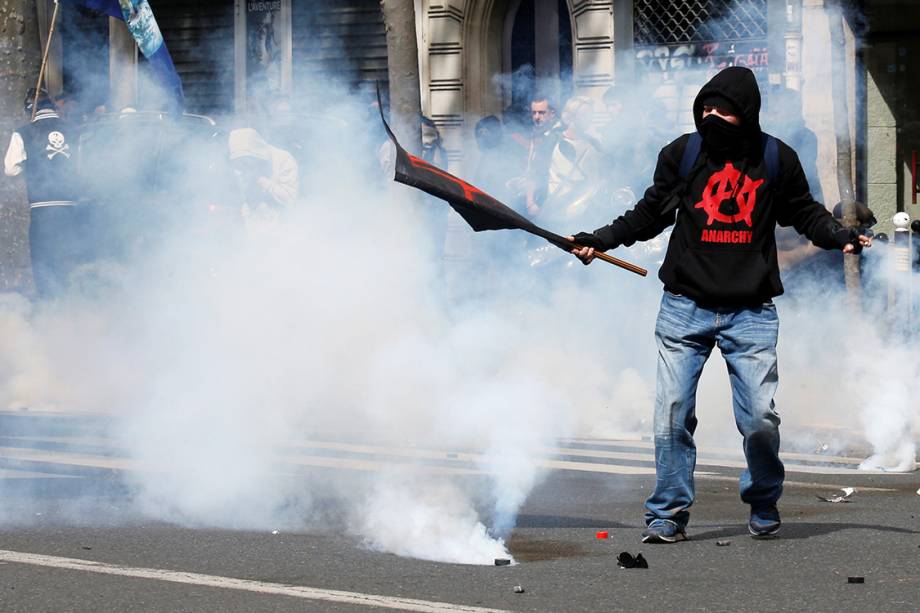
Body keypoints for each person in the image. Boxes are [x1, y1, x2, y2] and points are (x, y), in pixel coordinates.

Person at [569, 67, 871, 543]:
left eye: (722, 108)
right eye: (705, 107)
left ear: (745, 113)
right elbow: (648, 214)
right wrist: (599, 239)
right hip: (683, 305)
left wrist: (838, 236)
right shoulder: (683, 153)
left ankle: (764, 498)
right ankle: (667, 513)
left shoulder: (776, 156)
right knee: (670, 413)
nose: (711, 116)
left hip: (750, 312)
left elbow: (805, 211)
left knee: (759, 420)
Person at [4, 88, 84, 297]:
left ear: (30, 110)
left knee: (43, 260)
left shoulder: (23, 132)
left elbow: (10, 168)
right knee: (68, 258)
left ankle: (49, 308)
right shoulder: (73, 131)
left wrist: (29, 164)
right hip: (70, 207)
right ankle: (74, 305)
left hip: (43, 208)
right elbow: (82, 167)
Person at [228, 127, 299, 227]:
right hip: (256, 224)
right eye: (239, 162)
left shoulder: (283, 159)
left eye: (246, 161)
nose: (243, 166)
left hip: (285, 224)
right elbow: (244, 199)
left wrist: (261, 179)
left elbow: (290, 199)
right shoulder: (240, 168)